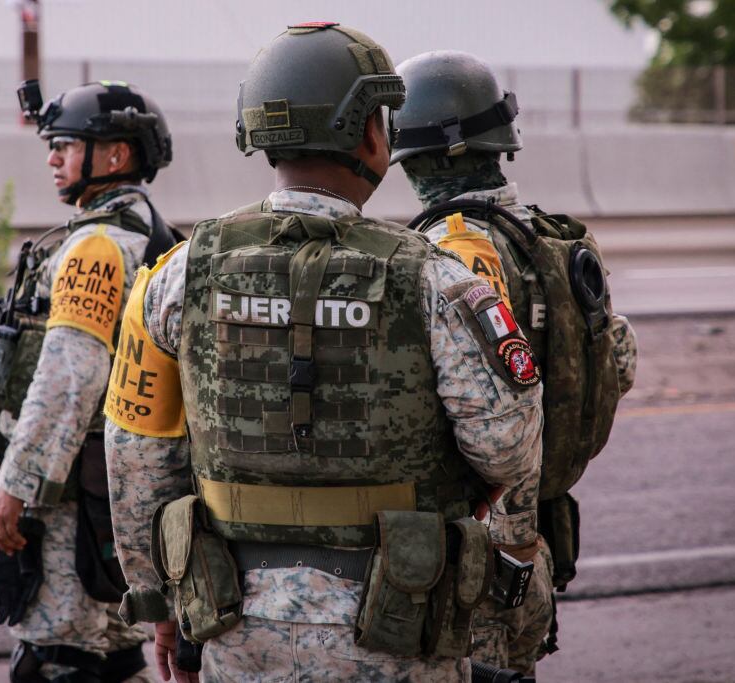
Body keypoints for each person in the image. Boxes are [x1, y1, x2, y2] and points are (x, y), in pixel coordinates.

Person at [103, 24, 543, 682]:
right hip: (399, 623)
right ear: (370, 131)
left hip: (233, 624)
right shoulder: (437, 278)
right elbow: (508, 447)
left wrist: (158, 601)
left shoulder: (177, 273)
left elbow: (134, 453)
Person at [390, 50, 639, 675]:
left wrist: (510, 545)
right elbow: (620, 363)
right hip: (535, 548)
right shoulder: (559, 240)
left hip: (486, 555)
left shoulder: (454, 252)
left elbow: (501, 418)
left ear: (424, 157)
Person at [0, 79, 177, 683]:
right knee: (110, 647)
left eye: (64, 144)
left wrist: (17, 485)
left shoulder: (95, 248)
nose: (51, 157)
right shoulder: (149, 233)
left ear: (115, 155)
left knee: (62, 654)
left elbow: (68, 379)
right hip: (121, 489)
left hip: (74, 499)